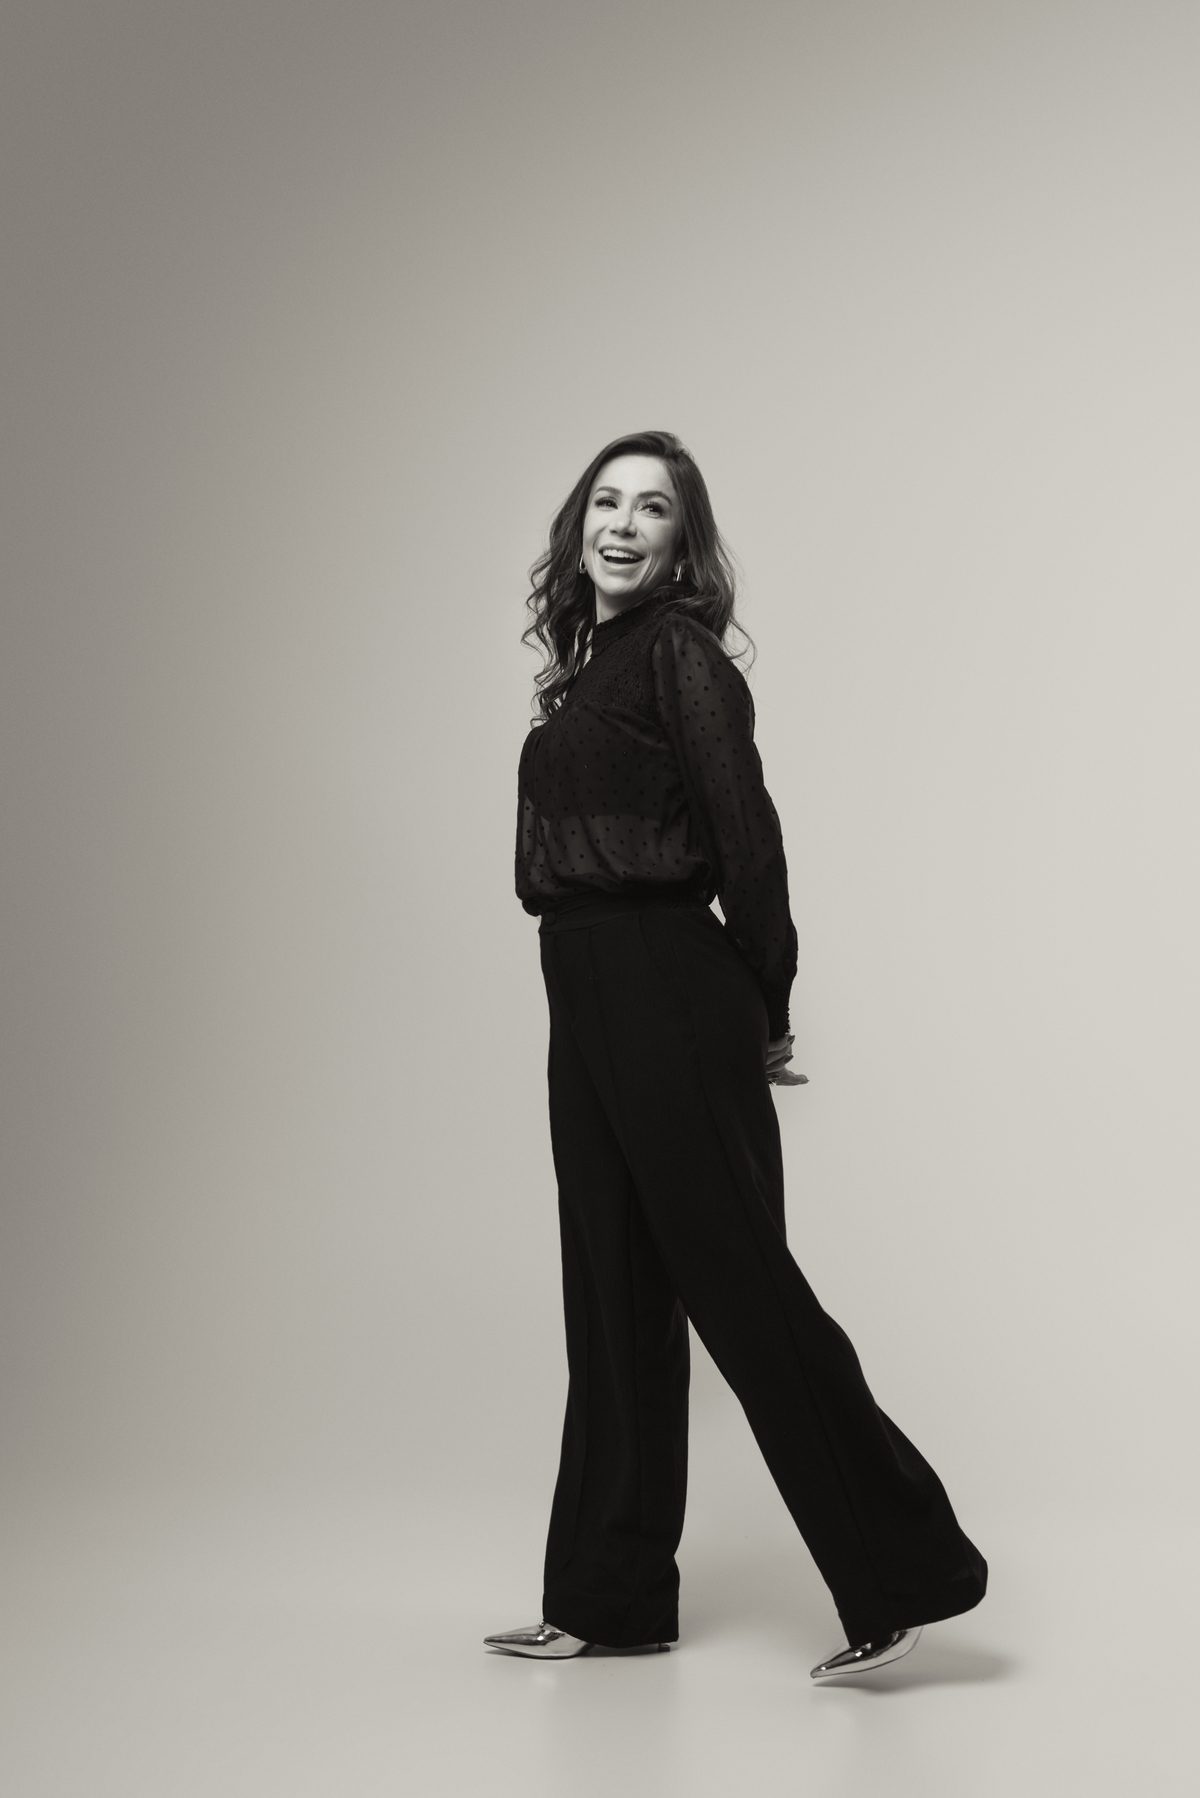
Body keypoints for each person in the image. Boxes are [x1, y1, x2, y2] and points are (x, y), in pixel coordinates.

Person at [485, 431, 986, 1681]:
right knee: (611, 1291)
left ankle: (904, 1575)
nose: (622, 523)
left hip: (667, 978)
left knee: (742, 1285)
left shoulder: (681, 655)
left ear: (681, 544)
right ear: (577, 528)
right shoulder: (588, 669)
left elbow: (746, 834)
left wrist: (768, 1006)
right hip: (582, 983)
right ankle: (608, 1597)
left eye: (651, 508)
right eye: (605, 501)